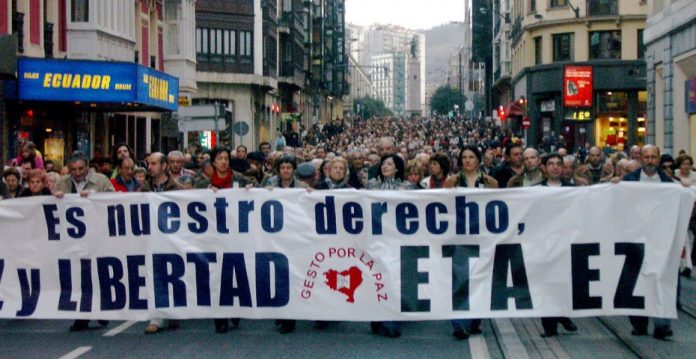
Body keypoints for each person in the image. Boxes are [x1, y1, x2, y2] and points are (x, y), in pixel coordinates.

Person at [620, 144, 686, 340]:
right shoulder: (629, 180)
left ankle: (662, 324)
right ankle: (639, 322)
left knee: (663, 279)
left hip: (661, 240)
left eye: (653, 157)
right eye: (646, 157)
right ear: (641, 159)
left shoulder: (670, 185)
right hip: (636, 239)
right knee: (637, 280)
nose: (650, 161)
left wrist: (685, 190)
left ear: (659, 159)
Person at [53, 151, 114, 331]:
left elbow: (115, 199)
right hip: (72, 237)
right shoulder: (62, 182)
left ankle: (100, 310)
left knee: (97, 274)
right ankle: (82, 316)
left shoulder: (101, 180)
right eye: (73, 170)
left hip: (96, 235)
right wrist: (54, 197)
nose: (78, 173)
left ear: (87, 166)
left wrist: (96, 196)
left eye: (81, 169)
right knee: (79, 276)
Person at [444, 145, 497, 339]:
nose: (467, 161)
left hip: (482, 237)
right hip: (458, 237)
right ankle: (459, 323)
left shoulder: (491, 183)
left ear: (478, 159)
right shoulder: (451, 182)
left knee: (479, 280)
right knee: (459, 279)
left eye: (471, 157)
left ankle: (475, 320)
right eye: (464, 157)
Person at [366, 154, 413, 338]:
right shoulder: (372, 185)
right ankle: (377, 317)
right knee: (376, 277)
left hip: (397, 239)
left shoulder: (406, 187)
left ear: (397, 168)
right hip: (376, 239)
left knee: (393, 280)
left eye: (389, 164)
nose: (385, 166)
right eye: (383, 163)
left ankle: (392, 322)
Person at [536, 154, 579, 337]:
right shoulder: (535, 191)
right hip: (544, 245)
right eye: (551, 164)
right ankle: (549, 325)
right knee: (546, 284)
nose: (555, 167)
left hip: (566, 244)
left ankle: (562, 313)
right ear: (544, 168)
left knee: (565, 283)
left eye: (558, 164)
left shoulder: (574, 190)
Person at [141, 153, 183, 334]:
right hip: (152, 240)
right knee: (156, 275)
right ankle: (157, 316)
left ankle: (173, 309)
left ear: (164, 166)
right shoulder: (142, 190)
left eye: (154, 164)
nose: (150, 167)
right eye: (148, 164)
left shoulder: (178, 189)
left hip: (173, 240)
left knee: (174, 274)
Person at [265, 155, 308, 334]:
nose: (285, 171)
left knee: (293, 277)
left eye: (289, 168)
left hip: (295, 238)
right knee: (279, 277)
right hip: (275, 239)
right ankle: (281, 314)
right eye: (282, 168)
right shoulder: (270, 185)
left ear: (293, 170)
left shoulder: (302, 187)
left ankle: (290, 317)